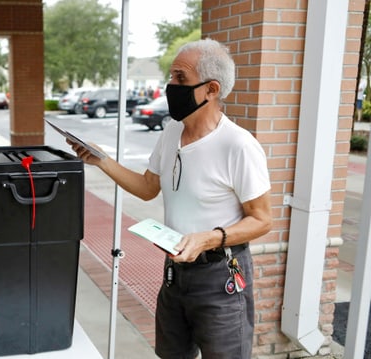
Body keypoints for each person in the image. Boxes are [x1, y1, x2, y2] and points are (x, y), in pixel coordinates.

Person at [69, 38, 272, 358]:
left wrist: (208, 239)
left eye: (180, 78)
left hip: (220, 277)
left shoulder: (239, 146)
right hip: (174, 274)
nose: (170, 85)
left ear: (211, 89)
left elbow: (262, 220)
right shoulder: (171, 131)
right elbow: (149, 187)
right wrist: (102, 161)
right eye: (171, 76)